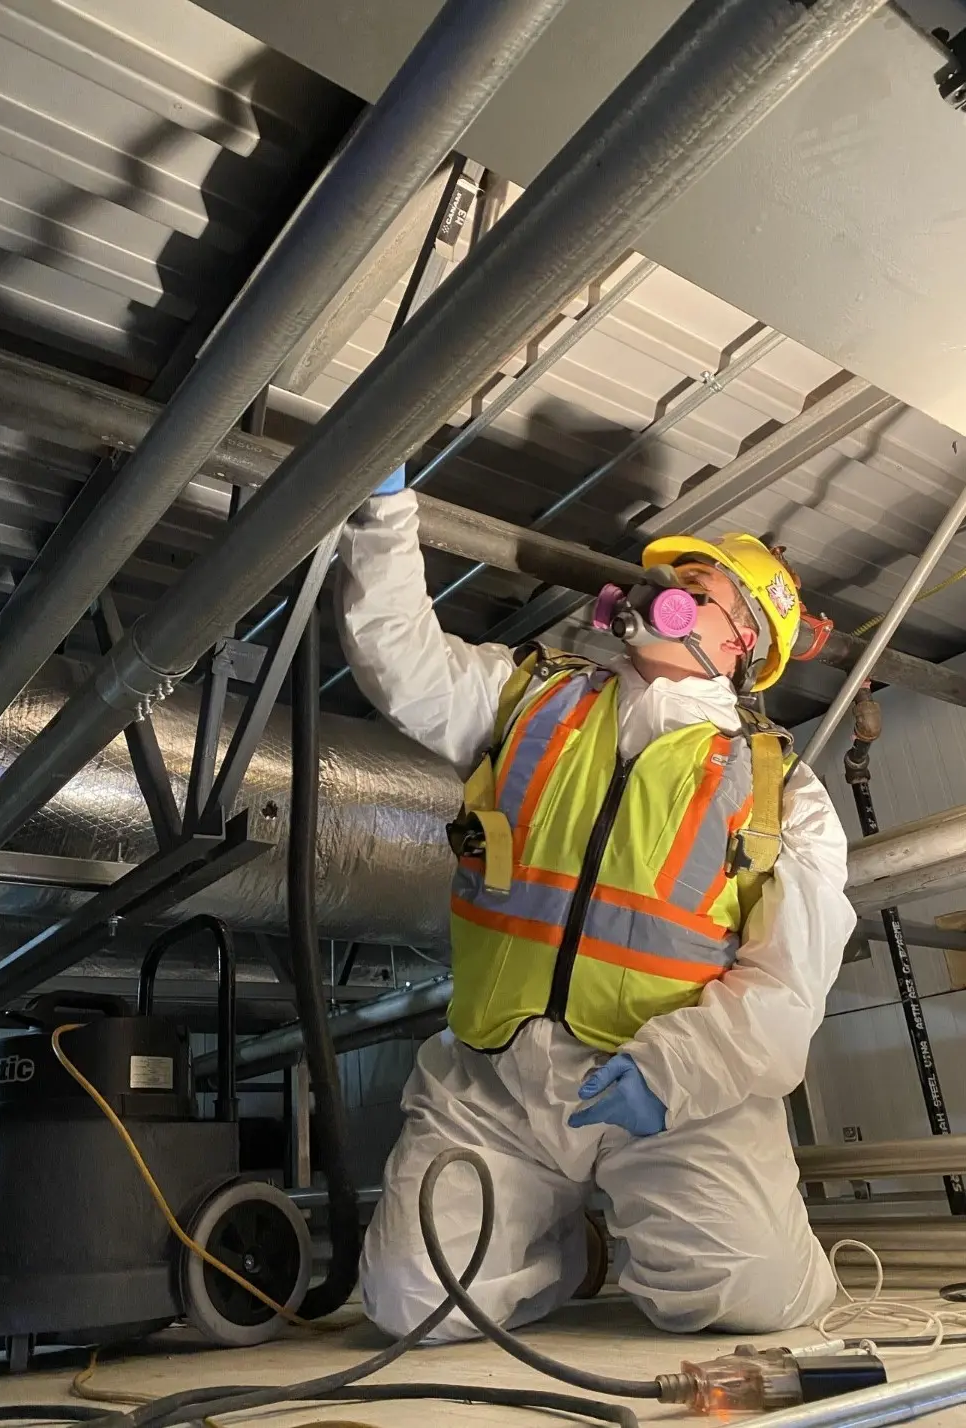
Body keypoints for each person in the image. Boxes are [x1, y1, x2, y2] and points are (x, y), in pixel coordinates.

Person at [335, 463, 855, 1342]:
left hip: (672, 1095)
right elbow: (402, 658)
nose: (663, 595)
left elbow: (787, 988)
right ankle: (568, 1250)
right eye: (667, 580)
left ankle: (673, 1228)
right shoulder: (533, 696)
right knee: (411, 1307)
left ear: (740, 643)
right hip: (498, 1081)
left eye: (696, 590)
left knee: (750, 1301)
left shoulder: (779, 791)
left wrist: (671, 1074)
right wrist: (382, 511)